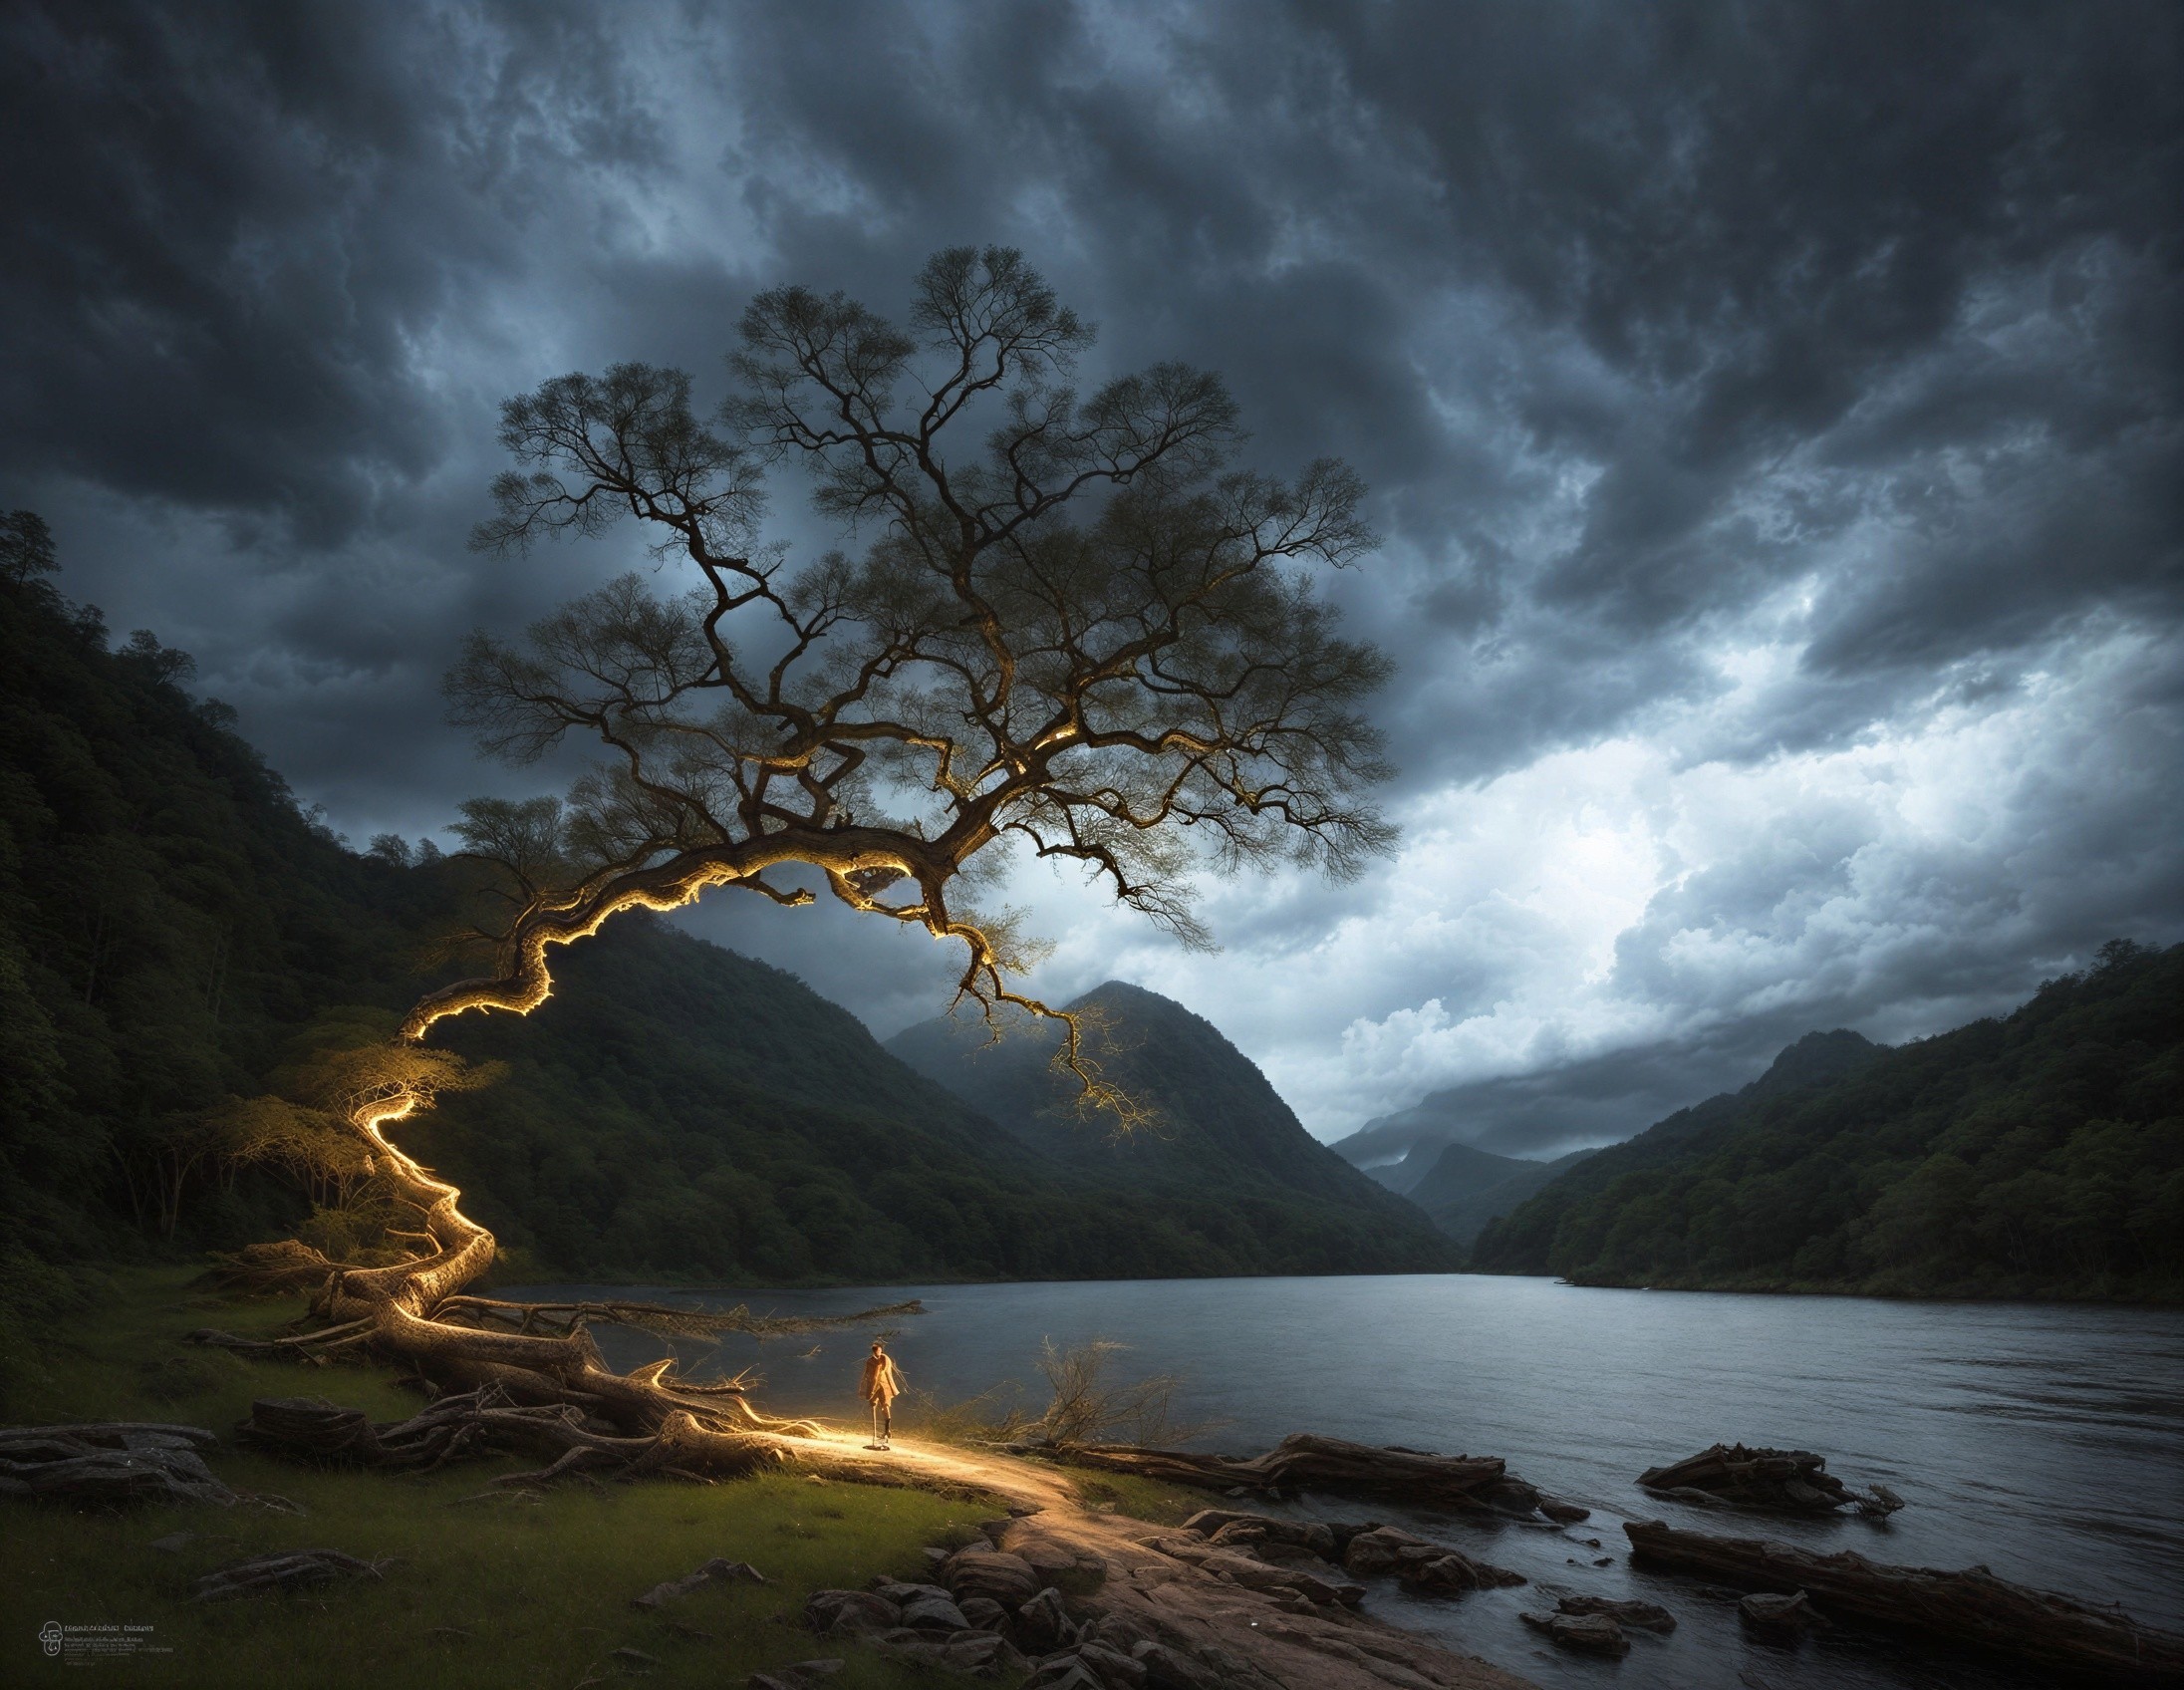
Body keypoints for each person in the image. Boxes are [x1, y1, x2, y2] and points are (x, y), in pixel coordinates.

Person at [860, 1339, 904, 1449]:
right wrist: (865, 1387)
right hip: (873, 1386)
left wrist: (876, 1376)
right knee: (873, 1406)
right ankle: (874, 1435)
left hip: (884, 1386)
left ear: (881, 1350)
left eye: (878, 1351)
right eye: (875, 1351)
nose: (877, 1353)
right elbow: (867, 1374)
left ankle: (887, 1430)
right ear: (873, 1352)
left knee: (885, 1406)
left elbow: (881, 1372)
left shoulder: (884, 1359)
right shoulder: (870, 1361)